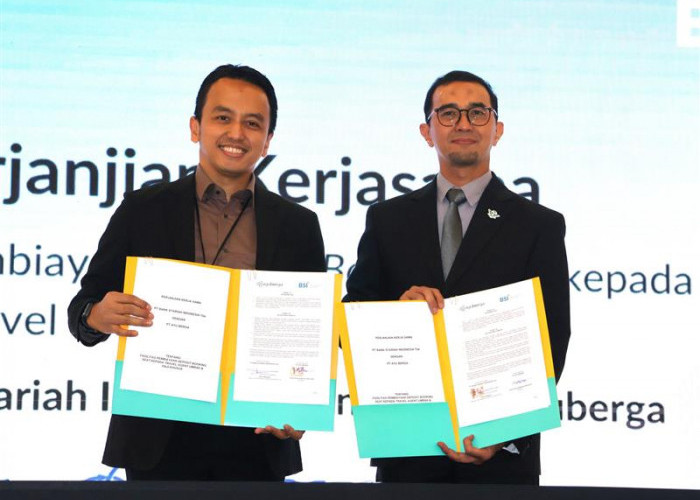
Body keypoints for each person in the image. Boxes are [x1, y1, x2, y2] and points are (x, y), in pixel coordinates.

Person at [67, 64, 326, 481]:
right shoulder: (142, 210)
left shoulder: (299, 225)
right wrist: (96, 315)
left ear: (267, 141)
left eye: (252, 123)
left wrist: (299, 408)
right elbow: (82, 308)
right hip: (158, 443)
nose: (236, 133)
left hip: (256, 442)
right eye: (223, 117)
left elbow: (311, 336)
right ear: (195, 127)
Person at [345, 70, 571, 484]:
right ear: (426, 131)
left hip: (501, 464)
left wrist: (504, 434)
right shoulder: (387, 219)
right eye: (448, 113)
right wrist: (395, 314)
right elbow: (352, 319)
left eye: (477, 113)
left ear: (497, 130)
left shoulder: (538, 225)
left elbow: (553, 336)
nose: (464, 123)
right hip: (407, 455)